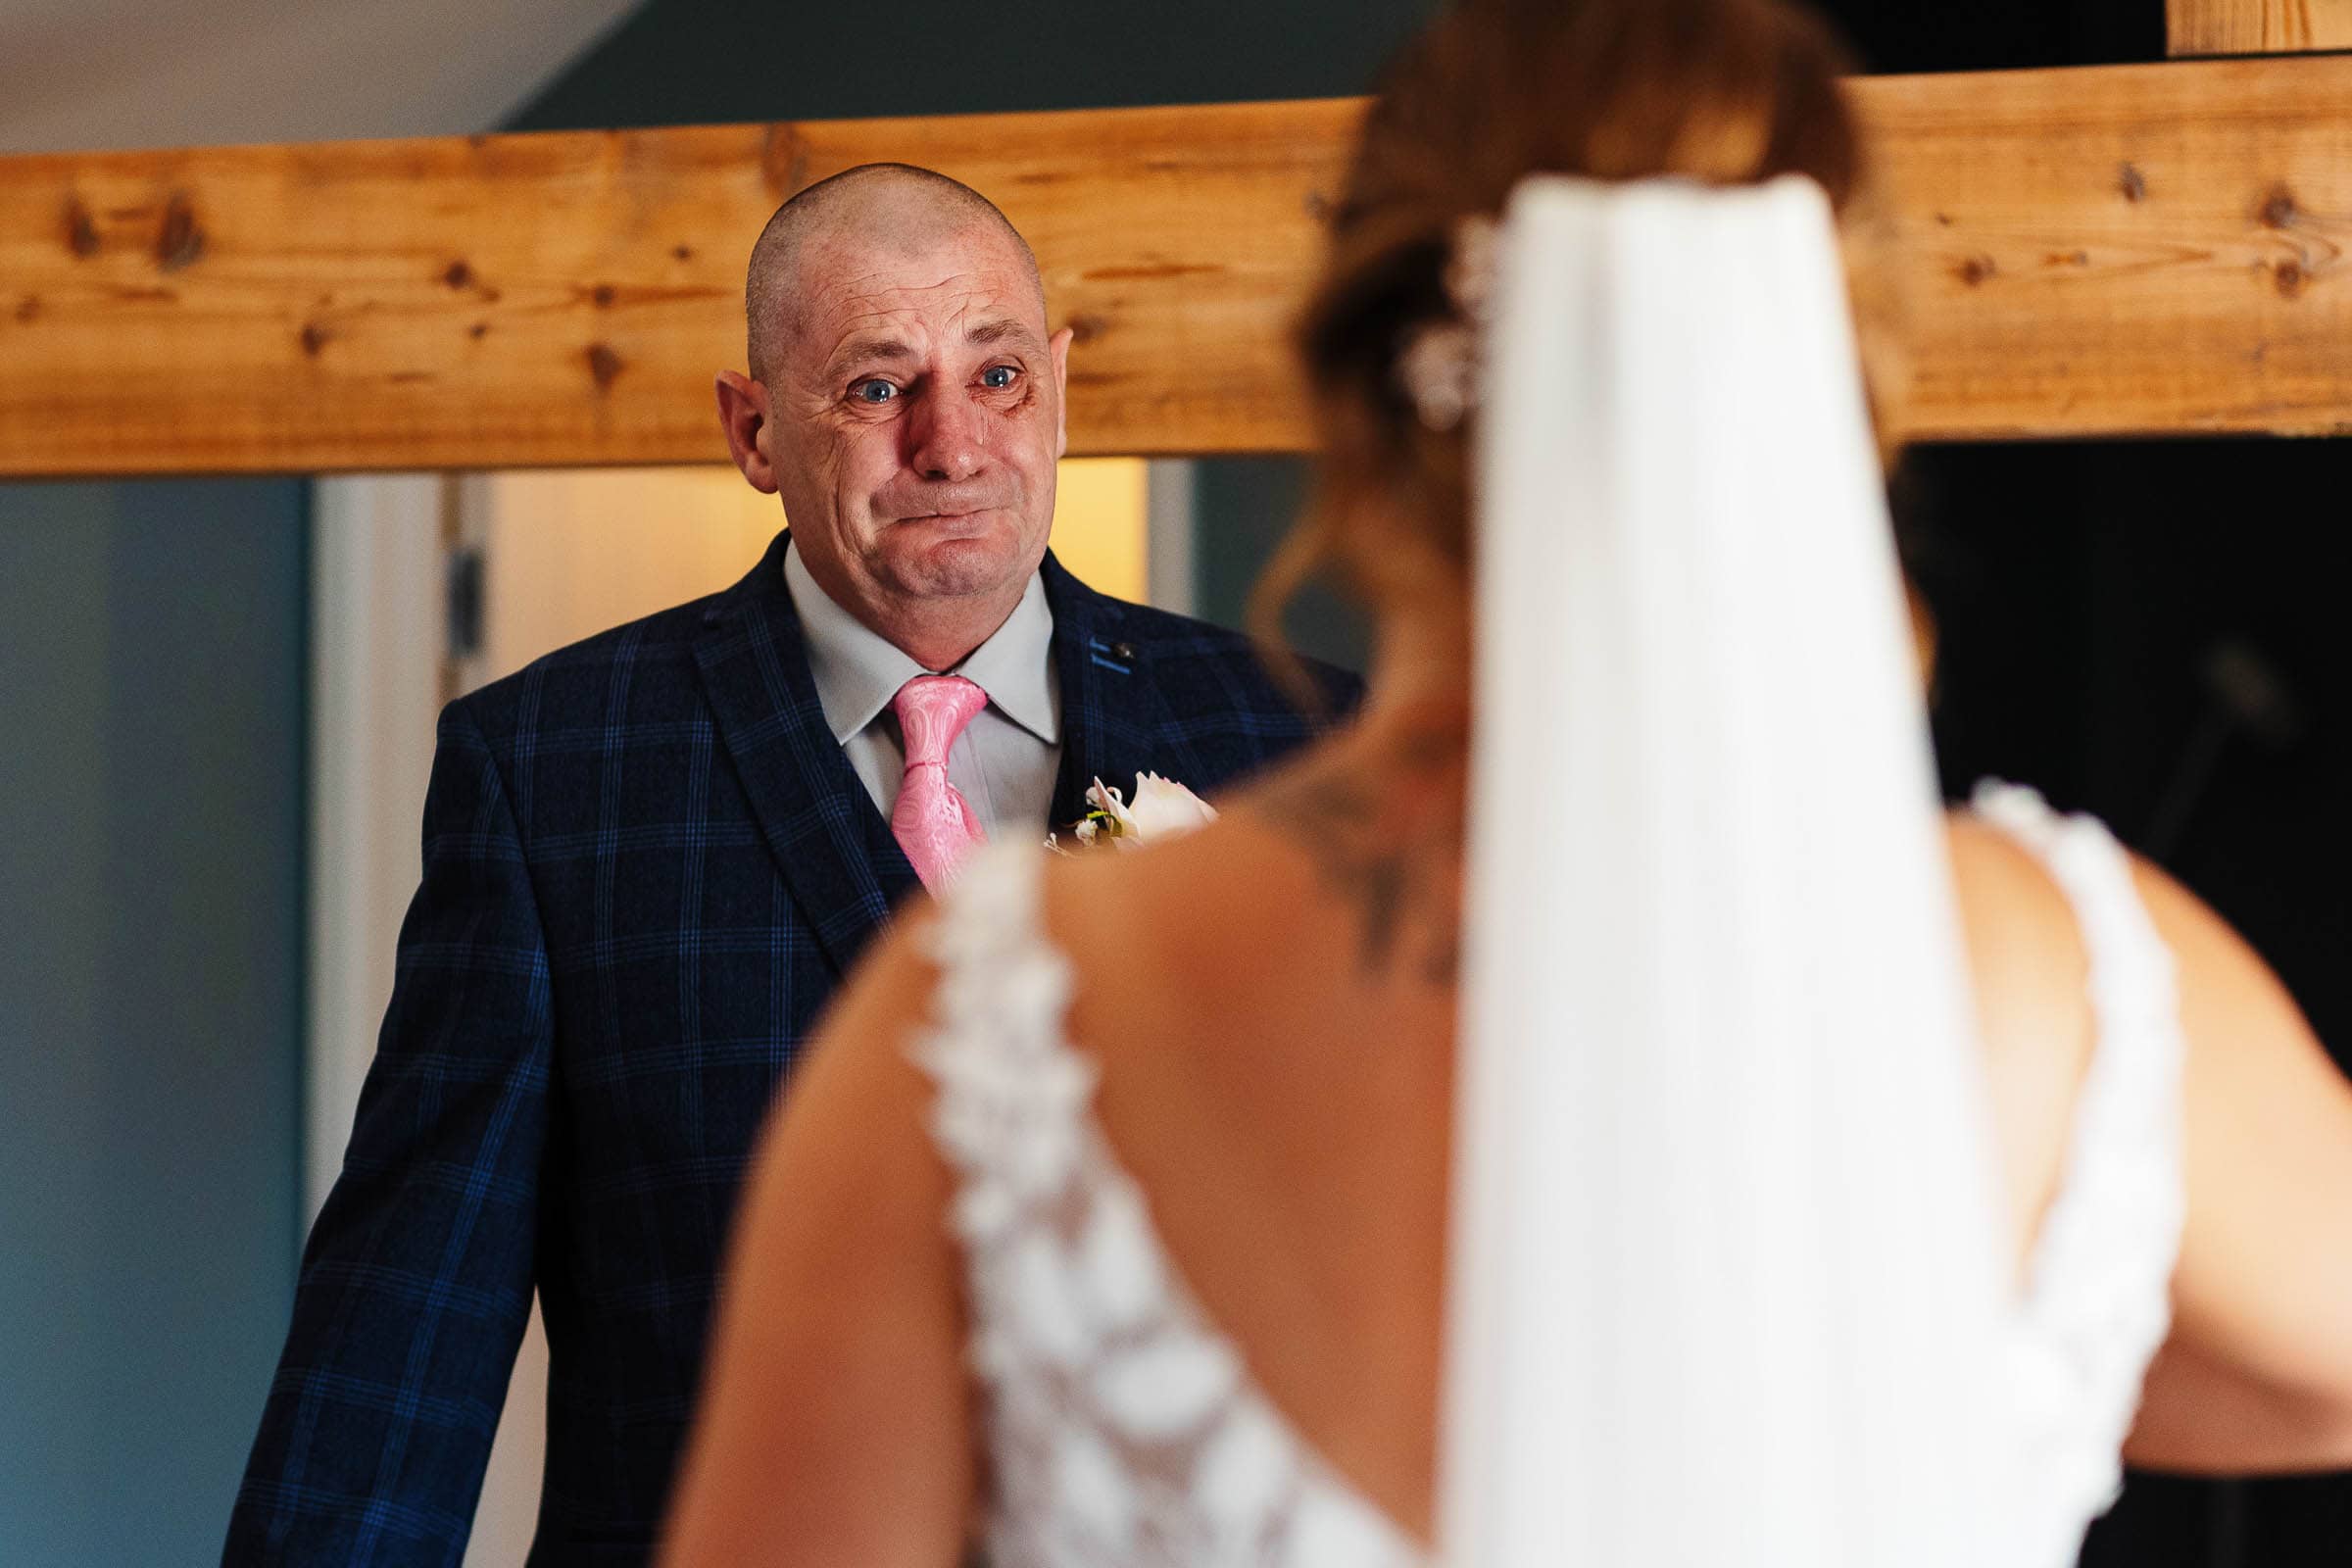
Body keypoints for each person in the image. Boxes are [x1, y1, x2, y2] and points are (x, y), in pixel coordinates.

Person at [659, 2, 2352, 1564]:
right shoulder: (2063, 980)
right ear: (1838, 387)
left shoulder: (991, 1027)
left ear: (1356, 392)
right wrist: (2004, 1362)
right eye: (877, 385)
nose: (950, 434)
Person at [223, 164, 1352, 1565]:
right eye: (878, 388)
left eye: (998, 375)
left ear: (1059, 390)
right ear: (753, 430)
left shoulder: (1299, 742)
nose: (952, 445)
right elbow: (404, 1342)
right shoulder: (552, 771)